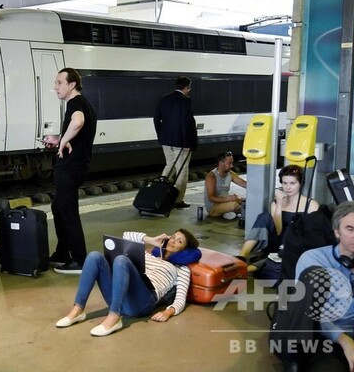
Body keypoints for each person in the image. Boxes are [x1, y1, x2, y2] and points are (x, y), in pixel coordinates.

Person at [54, 229, 200, 337]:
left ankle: (114, 317)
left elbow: (180, 298)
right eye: (173, 236)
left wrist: (168, 312)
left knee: (121, 260)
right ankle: (78, 310)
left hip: (143, 301)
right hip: (120, 296)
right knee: (94, 256)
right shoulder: (148, 254)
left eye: (179, 241)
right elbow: (126, 235)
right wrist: (151, 240)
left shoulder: (181, 269)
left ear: (185, 249)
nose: (173, 240)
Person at [293, 201, 354, 371]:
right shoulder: (313, 260)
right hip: (325, 336)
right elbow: (309, 313)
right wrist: (345, 341)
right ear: (337, 231)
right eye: (350, 229)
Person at [43, 68, 97, 274]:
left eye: (59, 82)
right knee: (58, 207)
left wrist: (63, 141)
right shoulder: (85, 104)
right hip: (76, 166)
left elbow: (78, 122)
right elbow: (79, 132)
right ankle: (62, 252)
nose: (55, 87)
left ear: (72, 84)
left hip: (70, 168)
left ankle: (80, 260)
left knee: (68, 212)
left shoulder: (75, 104)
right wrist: (60, 140)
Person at [238, 164, 319, 279]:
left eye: (292, 183)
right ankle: (241, 257)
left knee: (293, 229)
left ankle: (249, 269)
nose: (288, 187)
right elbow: (278, 229)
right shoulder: (276, 203)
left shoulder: (311, 205)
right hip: (277, 241)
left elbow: (312, 235)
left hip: (294, 246)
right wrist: (279, 204)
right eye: (285, 183)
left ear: (300, 184)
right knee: (264, 217)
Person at [153, 76, 197, 208]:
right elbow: (186, 123)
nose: (189, 90)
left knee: (169, 165)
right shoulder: (185, 100)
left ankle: (159, 194)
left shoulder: (163, 99)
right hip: (181, 142)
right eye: (189, 88)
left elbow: (156, 119)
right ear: (186, 88)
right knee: (182, 170)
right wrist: (187, 143)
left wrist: (161, 136)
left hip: (166, 140)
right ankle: (178, 200)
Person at [204, 151, 245, 219]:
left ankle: (228, 213)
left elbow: (244, 184)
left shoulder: (230, 173)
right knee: (235, 206)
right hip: (213, 207)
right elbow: (211, 198)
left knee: (244, 201)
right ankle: (240, 212)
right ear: (221, 163)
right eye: (229, 163)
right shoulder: (211, 176)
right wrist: (226, 199)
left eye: (232, 163)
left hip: (225, 201)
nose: (232, 166)